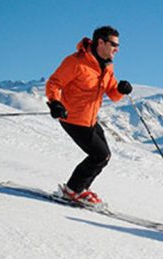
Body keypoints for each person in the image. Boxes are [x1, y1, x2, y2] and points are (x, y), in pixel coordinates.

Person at [45, 25, 133, 206]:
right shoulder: (76, 62)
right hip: (73, 118)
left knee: (104, 156)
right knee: (99, 155)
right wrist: (55, 103)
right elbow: (54, 83)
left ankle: (80, 189)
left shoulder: (106, 66)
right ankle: (72, 190)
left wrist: (121, 89)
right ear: (101, 42)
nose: (117, 49)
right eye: (114, 44)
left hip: (90, 120)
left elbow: (113, 94)